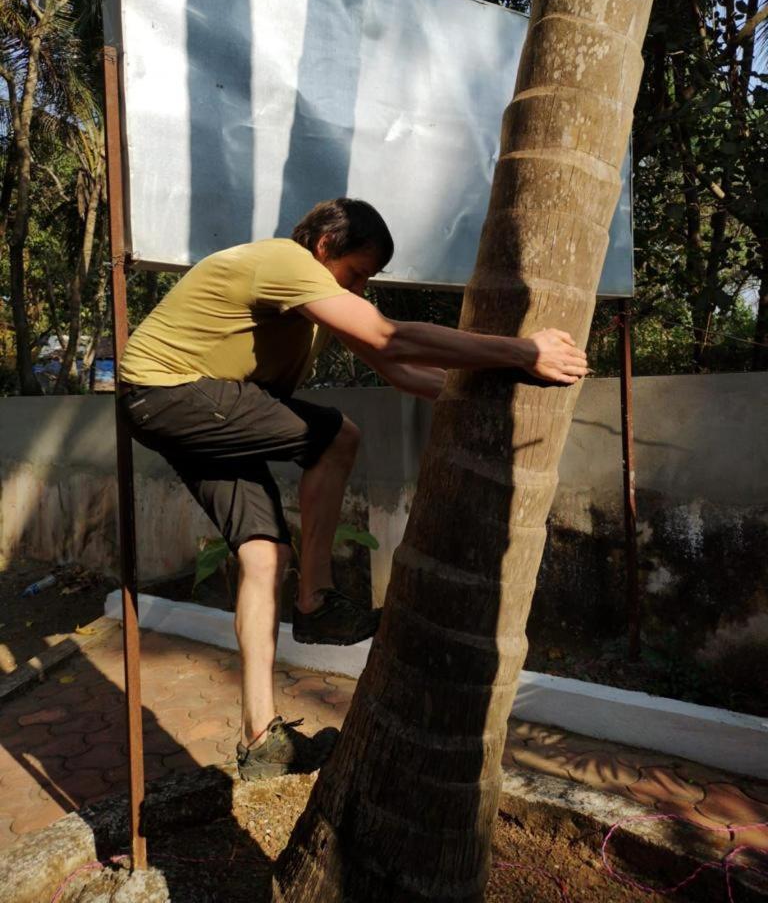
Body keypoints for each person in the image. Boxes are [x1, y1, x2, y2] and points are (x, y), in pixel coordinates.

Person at [117, 197, 587, 781]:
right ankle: (317, 603)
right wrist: (523, 349)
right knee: (338, 437)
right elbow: (392, 338)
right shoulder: (285, 263)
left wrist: (489, 392)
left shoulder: (318, 306)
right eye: (358, 273)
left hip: (194, 405)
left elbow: (403, 372)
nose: (362, 288)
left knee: (264, 555)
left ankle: (261, 740)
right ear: (323, 249)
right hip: (169, 392)